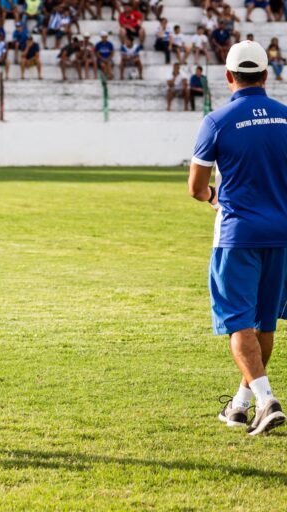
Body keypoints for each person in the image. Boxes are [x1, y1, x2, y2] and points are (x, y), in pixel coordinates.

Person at [189, 40, 287, 436]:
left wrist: (214, 198)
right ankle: (240, 406)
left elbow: (196, 187)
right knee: (265, 325)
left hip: (238, 234)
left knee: (238, 322)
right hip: (282, 234)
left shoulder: (217, 121)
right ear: (266, 76)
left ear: (228, 76)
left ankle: (267, 401)